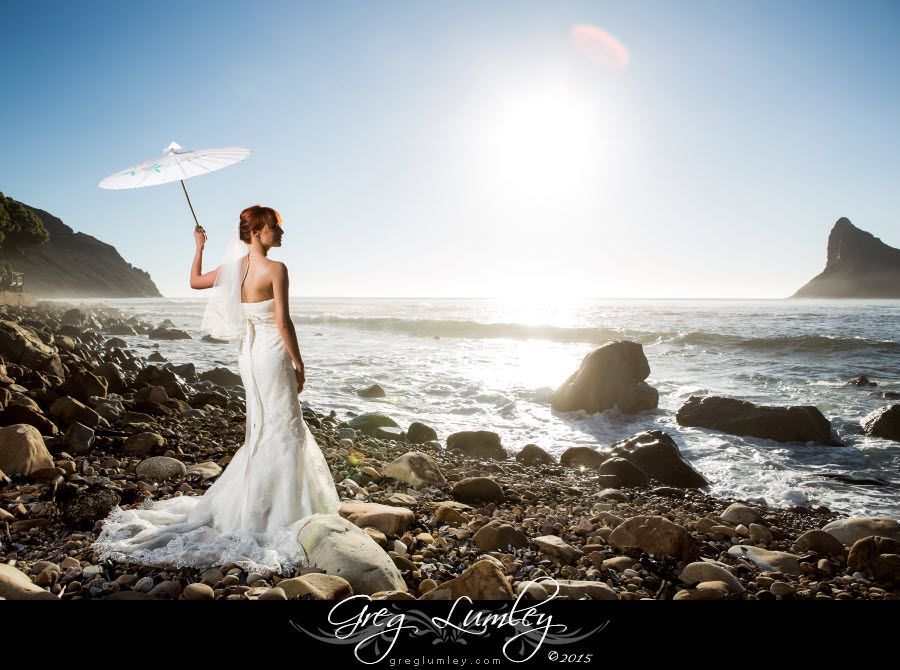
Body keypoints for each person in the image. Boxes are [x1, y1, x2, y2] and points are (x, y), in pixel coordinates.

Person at [90, 205, 341, 577]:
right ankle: (284, 511)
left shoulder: (233, 270)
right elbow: (283, 321)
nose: (281, 233)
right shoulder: (276, 269)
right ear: (256, 232)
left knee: (264, 427)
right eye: (274, 227)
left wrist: (198, 246)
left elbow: (194, 281)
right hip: (271, 351)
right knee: (284, 426)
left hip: (249, 356)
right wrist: (299, 362)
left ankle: (258, 503)